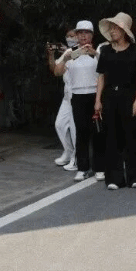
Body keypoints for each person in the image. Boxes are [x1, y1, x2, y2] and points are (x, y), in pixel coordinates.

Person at [95, 13, 136, 190]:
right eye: (111, 28)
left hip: (128, 94)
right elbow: (101, 76)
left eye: (116, 28)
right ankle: (114, 178)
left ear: (124, 31)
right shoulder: (105, 50)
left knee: (130, 135)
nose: (112, 31)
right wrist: (97, 100)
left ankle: (134, 177)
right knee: (111, 137)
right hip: (109, 95)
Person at [53, 20, 105, 182]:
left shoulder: (98, 51)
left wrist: (95, 53)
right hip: (77, 96)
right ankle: (82, 168)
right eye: (80, 33)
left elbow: (106, 72)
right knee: (81, 133)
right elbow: (57, 72)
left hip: (95, 95)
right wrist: (65, 58)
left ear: (92, 35)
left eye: (86, 33)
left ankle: (100, 168)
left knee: (97, 133)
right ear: (76, 35)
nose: (83, 36)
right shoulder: (71, 52)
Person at [46, 28, 78, 171]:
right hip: (67, 96)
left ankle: (77, 158)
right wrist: (51, 55)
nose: (69, 38)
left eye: (72, 35)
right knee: (60, 124)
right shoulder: (67, 52)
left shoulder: (84, 51)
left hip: (77, 94)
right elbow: (55, 70)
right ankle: (68, 152)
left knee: (75, 130)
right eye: (67, 36)